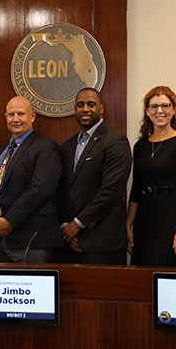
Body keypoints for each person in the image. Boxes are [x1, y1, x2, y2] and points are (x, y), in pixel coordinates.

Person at [0, 96, 61, 262]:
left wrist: (9, 221)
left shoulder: (45, 148)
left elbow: (39, 190)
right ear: (5, 118)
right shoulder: (0, 153)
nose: (15, 119)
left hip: (30, 240)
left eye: (21, 114)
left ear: (32, 116)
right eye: (11, 115)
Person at [58, 87, 132, 265]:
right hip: (71, 242)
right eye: (80, 105)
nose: (85, 109)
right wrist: (66, 227)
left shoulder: (116, 141)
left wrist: (77, 224)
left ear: (101, 108)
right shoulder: (67, 146)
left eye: (91, 104)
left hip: (103, 244)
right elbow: (60, 191)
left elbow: (110, 191)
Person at [127, 86, 176, 267]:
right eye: (154, 106)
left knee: (170, 274)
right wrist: (128, 225)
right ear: (147, 111)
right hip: (145, 220)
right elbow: (135, 188)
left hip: (171, 218)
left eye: (165, 106)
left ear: (174, 110)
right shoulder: (140, 146)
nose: (160, 111)